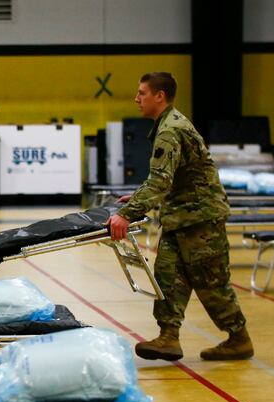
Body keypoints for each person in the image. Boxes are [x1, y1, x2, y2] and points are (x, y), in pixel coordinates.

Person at [106, 72, 254, 361]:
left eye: (142, 93)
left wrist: (126, 215)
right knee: (168, 275)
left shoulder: (170, 130)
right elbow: (168, 178)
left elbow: (160, 180)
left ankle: (239, 338)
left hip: (201, 219)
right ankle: (168, 337)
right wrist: (136, 199)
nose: (137, 99)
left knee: (210, 283)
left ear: (159, 96)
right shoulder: (168, 125)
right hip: (180, 216)